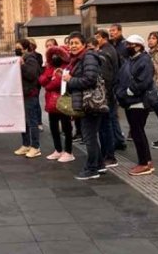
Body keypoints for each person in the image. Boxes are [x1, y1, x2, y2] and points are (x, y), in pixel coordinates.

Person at [63, 32, 105, 180]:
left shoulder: (88, 57)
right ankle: (99, 164)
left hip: (90, 103)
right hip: (85, 102)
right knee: (91, 135)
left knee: (89, 137)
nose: (73, 46)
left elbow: (90, 79)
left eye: (76, 43)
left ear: (84, 45)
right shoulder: (77, 59)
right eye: (71, 43)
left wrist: (70, 79)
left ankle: (92, 168)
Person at [116, 35, 156, 176]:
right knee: (138, 132)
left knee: (137, 133)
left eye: (130, 45)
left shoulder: (144, 61)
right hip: (131, 102)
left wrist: (128, 92)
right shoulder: (132, 60)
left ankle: (144, 163)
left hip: (138, 102)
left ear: (138, 46)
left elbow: (143, 82)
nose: (127, 47)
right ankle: (147, 161)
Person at [39, 45, 75, 162]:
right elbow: (42, 80)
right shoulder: (50, 67)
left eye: (57, 55)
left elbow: (55, 84)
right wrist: (51, 77)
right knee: (53, 126)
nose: (55, 58)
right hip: (51, 103)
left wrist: (51, 81)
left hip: (63, 101)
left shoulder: (66, 67)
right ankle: (58, 149)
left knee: (66, 127)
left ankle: (69, 151)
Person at [93, 29, 121, 167]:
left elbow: (105, 77)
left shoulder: (104, 53)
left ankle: (109, 155)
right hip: (110, 93)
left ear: (104, 38)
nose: (95, 39)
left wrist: (104, 94)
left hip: (107, 94)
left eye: (97, 37)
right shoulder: (110, 50)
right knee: (107, 123)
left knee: (106, 125)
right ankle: (108, 153)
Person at [13, 39, 42, 159]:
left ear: (25, 48)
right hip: (21, 94)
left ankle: (36, 147)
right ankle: (26, 144)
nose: (16, 50)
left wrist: (23, 65)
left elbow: (31, 75)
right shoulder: (19, 59)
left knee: (32, 121)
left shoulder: (30, 59)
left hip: (30, 94)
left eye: (18, 47)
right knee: (23, 122)